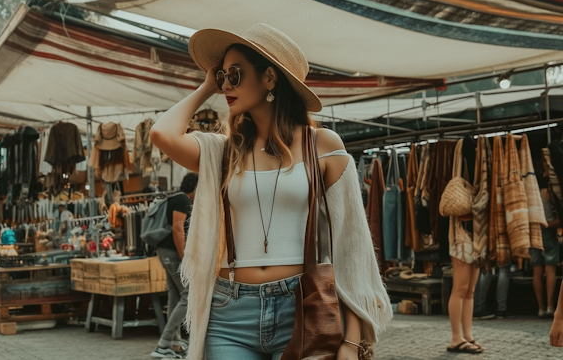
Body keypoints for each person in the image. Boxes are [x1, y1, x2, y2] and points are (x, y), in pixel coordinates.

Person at [150, 24, 391, 360]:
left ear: (270, 79)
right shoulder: (224, 151)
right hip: (230, 311)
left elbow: (352, 251)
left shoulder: (323, 146)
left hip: (304, 306)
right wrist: (208, 85)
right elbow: (162, 134)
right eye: (223, 76)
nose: (226, 84)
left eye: (234, 74)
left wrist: (351, 342)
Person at [151, 172, 198, 359]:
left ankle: (175, 343)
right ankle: (164, 343)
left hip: (165, 252)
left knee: (174, 297)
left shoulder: (176, 198)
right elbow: (178, 228)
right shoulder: (181, 200)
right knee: (188, 295)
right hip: (173, 254)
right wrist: (185, 257)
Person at [448, 217, 482, 354]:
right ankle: (456, 338)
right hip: (461, 233)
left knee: (470, 290)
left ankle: (467, 335)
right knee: (460, 288)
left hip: (478, 234)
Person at [531, 175, 560, 318]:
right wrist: (547, 225)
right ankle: (550, 306)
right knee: (550, 269)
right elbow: (559, 220)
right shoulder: (549, 193)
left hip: (533, 233)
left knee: (537, 270)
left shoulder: (529, 195)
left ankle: (540, 308)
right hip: (548, 233)